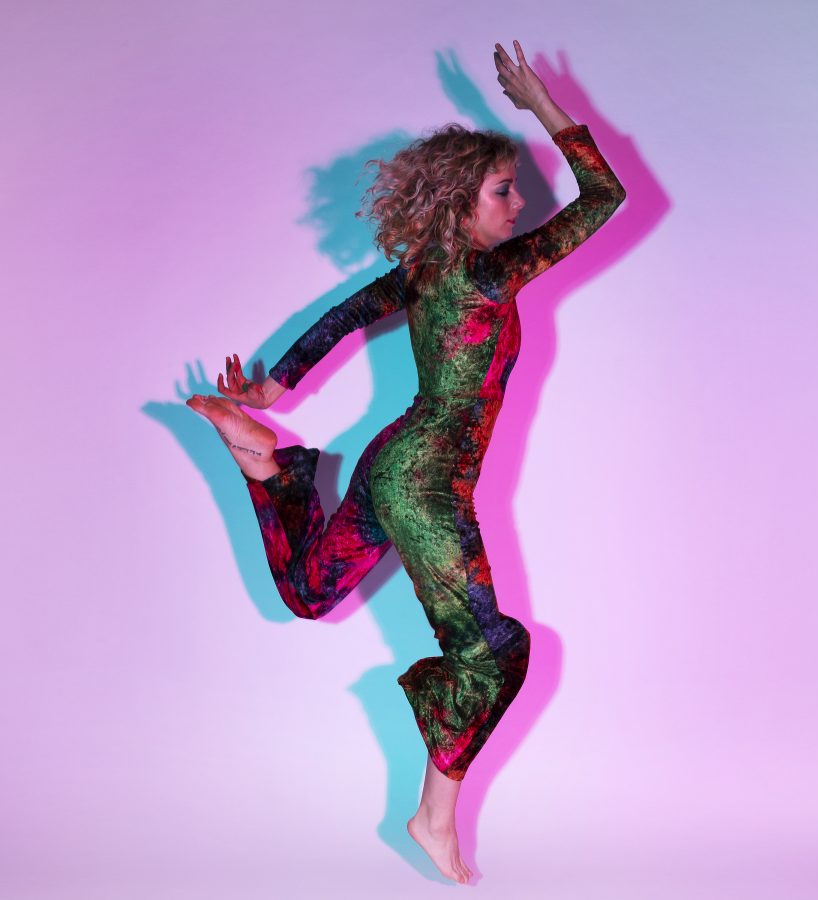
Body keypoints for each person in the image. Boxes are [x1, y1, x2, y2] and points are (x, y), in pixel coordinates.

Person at [187, 40, 625, 885]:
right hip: (424, 483)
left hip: (396, 461)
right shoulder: (492, 275)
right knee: (495, 654)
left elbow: (347, 314)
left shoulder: (425, 273)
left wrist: (274, 387)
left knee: (310, 593)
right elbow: (604, 196)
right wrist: (541, 105)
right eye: (504, 190)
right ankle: (433, 819)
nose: (520, 203)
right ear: (461, 204)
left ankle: (267, 469)